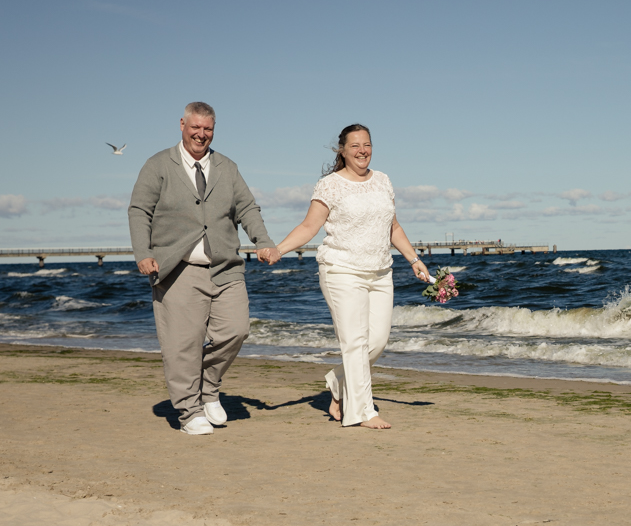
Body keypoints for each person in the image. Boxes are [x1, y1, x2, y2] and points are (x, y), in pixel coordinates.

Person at [128, 102, 280, 435]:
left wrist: (263, 241)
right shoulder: (158, 165)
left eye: (207, 129)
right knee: (182, 344)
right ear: (182, 124)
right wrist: (143, 252)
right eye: (195, 127)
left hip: (225, 267)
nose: (201, 134)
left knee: (236, 330)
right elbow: (139, 210)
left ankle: (208, 387)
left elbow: (247, 208)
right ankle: (189, 412)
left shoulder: (226, 167)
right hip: (177, 269)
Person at [276, 124, 430, 429]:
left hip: (380, 271)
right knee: (355, 343)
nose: (362, 151)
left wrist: (414, 259)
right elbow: (309, 227)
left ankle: (338, 381)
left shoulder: (383, 181)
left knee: (378, 341)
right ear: (342, 150)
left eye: (367, 144)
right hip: (341, 270)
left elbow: (393, 227)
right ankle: (362, 413)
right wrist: (278, 249)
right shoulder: (330, 185)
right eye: (355, 145)